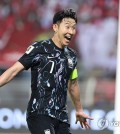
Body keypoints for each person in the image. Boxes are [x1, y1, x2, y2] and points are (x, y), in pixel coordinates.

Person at [0, 8, 93, 134]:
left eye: (74, 28)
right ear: (55, 27)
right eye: (67, 27)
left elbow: (73, 84)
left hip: (61, 117)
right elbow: (13, 71)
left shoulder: (72, 56)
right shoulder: (38, 48)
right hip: (39, 113)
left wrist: (79, 110)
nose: (71, 32)